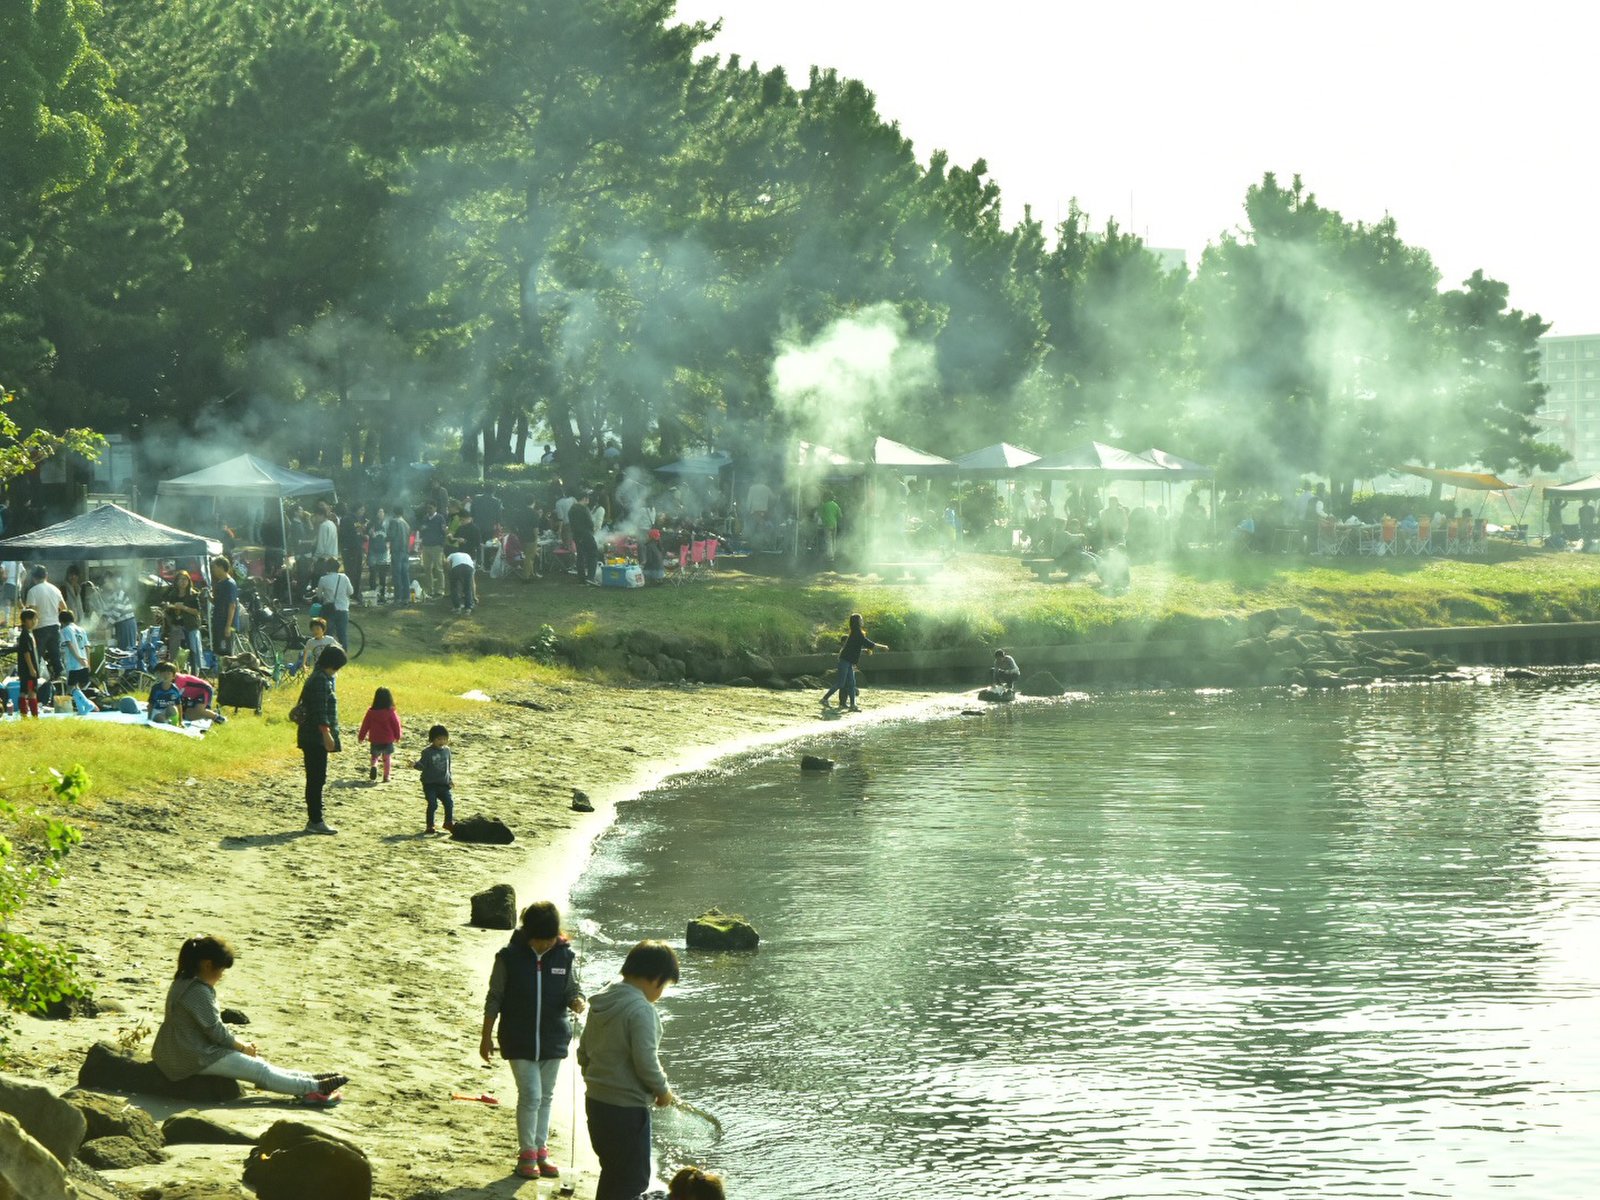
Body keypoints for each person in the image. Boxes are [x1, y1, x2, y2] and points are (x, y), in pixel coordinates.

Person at [152, 935, 347, 1103]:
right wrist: (243, 1047)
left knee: (259, 1064)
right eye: (221, 970)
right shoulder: (197, 991)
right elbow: (216, 1031)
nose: (221, 975)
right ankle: (313, 1089)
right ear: (207, 965)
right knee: (259, 1069)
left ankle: (308, 1079)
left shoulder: (183, 981)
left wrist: (241, 1048)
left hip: (181, 1049)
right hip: (189, 1055)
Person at [480, 901, 587, 1180]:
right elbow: (495, 997)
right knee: (531, 1095)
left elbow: (573, 989)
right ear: (529, 934)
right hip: (518, 1038)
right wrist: (486, 1036)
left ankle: (541, 1150)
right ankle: (527, 1153)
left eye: (550, 938)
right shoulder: (508, 957)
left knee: (546, 1096)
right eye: (540, 939)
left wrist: (577, 1001)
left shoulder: (565, 956)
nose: (545, 944)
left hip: (554, 1038)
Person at [577, 940, 680, 1200]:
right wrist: (663, 1091)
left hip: (596, 1103)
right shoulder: (641, 1010)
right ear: (656, 978)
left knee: (612, 1171)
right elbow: (646, 1062)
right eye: (665, 985)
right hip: (626, 1110)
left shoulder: (603, 999)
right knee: (633, 1179)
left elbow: (583, 1051)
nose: (662, 992)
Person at [295, 644, 347, 835]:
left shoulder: (319, 677)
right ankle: (315, 820)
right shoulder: (320, 680)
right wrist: (327, 734)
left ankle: (315, 819)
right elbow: (319, 711)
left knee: (316, 778)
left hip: (312, 736)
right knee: (317, 779)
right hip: (315, 737)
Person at [829, 613, 887, 713]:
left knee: (851, 684)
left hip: (849, 662)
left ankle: (853, 705)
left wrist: (864, 650)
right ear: (857, 622)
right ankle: (825, 699)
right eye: (861, 619)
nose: (862, 621)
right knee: (841, 683)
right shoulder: (857, 633)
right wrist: (883, 647)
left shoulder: (855, 633)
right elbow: (869, 643)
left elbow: (855, 648)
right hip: (845, 661)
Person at [25, 565, 67, 681]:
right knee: (56, 656)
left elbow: (31, 613)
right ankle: (60, 680)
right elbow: (64, 608)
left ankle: (36, 681)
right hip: (55, 626)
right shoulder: (55, 589)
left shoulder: (32, 591)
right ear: (46, 576)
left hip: (40, 628)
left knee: (37, 657)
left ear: (33, 578)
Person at [413, 723, 454, 834]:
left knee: (449, 803)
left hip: (443, 784)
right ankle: (430, 825)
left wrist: (450, 779)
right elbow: (422, 766)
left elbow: (448, 766)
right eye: (439, 739)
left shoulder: (447, 750)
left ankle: (448, 822)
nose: (442, 741)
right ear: (432, 739)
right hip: (430, 784)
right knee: (432, 804)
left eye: (444, 739)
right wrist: (414, 764)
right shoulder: (427, 752)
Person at [161, 571, 204, 673]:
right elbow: (167, 610)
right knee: (174, 652)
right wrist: (168, 607)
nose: (183, 582)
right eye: (181, 579)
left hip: (190, 626)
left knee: (193, 651)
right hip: (176, 626)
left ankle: (194, 674)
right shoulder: (172, 595)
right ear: (176, 581)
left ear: (189, 581)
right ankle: (174, 674)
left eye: (185, 579)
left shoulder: (193, 595)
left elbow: (197, 612)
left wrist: (183, 607)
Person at [358, 686, 402, 783]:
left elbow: (365, 725)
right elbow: (396, 724)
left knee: (374, 756)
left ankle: (374, 766)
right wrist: (398, 736)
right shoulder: (391, 712)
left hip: (375, 739)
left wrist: (361, 736)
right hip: (387, 739)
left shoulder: (371, 712)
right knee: (387, 758)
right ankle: (386, 776)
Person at [315, 557, 354, 649]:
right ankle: (343, 654)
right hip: (343, 609)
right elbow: (351, 592)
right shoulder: (344, 577)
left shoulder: (323, 579)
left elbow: (319, 596)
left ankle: (328, 654)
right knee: (342, 634)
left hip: (329, 610)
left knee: (328, 634)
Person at [210, 556, 239, 666]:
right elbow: (217, 602)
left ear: (222, 567)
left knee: (226, 651)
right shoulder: (219, 583)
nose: (213, 570)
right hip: (217, 621)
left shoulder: (230, 583)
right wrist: (209, 597)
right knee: (218, 650)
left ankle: (230, 672)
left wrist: (228, 626)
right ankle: (220, 672)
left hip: (226, 623)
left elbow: (232, 605)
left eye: (215, 567)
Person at [14, 607, 42, 717]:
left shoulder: (30, 633)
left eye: (36, 619)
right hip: (27, 668)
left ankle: (25, 714)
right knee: (31, 692)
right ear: (25, 620)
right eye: (32, 619)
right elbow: (26, 653)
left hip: (28, 668)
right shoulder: (25, 635)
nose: (34, 622)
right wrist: (31, 668)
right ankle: (31, 715)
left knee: (25, 691)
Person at [101, 575, 139, 651]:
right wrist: (102, 620)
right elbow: (107, 611)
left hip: (126, 624)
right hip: (119, 625)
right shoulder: (110, 596)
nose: (106, 585)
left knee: (127, 649)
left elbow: (116, 613)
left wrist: (105, 625)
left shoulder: (120, 593)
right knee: (121, 649)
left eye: (107, 582)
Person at [418, 502, 447, 598]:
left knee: (438, 568)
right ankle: (430, 589)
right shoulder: (425, 518)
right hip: (426, 546)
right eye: (427, 508)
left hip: (436, 547)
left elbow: (444, 532)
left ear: (435, 508)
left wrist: (441, 545)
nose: (428, 510)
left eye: (430, 508)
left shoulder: (440, 518)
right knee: (427, 569)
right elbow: (421, 530)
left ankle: (440, 590)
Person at [568, 493, 598, 584]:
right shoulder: (583, 509)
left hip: (576, 535)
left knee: (580, 556)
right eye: (588, 499)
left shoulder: (571, 510)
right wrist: (593, 528)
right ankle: (591, 577)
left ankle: (581, 579)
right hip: (586, 534)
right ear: (584, 498)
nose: (588, 501)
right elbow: (589, 522)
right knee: (593, 553)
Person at [59, 610, 92, 693]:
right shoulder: (82, 629)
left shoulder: (65, 630)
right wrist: (88, 662)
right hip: (84, 664)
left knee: (70, 688)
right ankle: (80, 703)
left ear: (61, 621)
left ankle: (71, 704)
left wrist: (78, 658)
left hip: (73, 664)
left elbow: (69, 645)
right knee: (80, 689)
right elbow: (87, 647)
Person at [387, 507, 412, 605]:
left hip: (396, 551)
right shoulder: (406, 524)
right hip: (405, 551)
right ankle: (406, 597)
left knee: (397, 575)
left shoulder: (394, 522)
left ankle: (398, 597)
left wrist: (386, 535)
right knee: (405, 574)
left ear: (394, 513)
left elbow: (391, 535)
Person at [368, 508, 391, 603]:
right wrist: (369, 533)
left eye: (382, 511)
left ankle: (382, 594)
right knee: (373, 573)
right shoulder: (371, 523)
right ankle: (373, 593)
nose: (381, 513)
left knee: (382, 574)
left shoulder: (387, 524)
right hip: (373, 551)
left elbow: (390, 536)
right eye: (379, 511)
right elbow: (366, 534)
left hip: (384, 552)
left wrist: (389, 545)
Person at [447, 548, 477, 613]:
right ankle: (468, 608)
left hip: (457, 567)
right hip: (469, 567)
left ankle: (457, 607)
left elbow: (448, 564)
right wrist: (474, 596)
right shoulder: (467, 555)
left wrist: (450, 574)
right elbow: (473, 581)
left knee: (454, 587)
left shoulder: (451, 555)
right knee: (467, 588)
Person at [818, 492, 841, 562]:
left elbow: (820, 515)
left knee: (828, 540)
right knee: (833, 540)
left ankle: (830, 556)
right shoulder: (836, 505)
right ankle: (834, 554)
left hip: (827, 524)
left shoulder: (824, 506)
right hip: (834, 524)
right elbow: (840, 515)